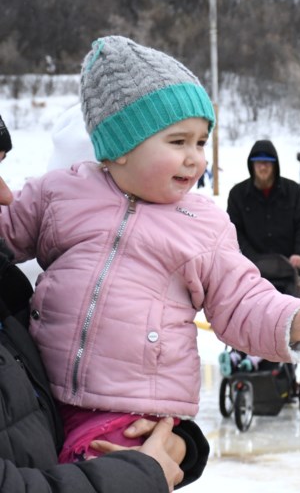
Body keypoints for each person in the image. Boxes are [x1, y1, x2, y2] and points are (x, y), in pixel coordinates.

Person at [0, 36, 300, 464]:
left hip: (131, 410)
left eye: (201, 142)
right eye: (178, 142)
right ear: (121, 147)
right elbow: (9, 231)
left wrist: (292, 318)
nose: (196, 159)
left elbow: (240, 298)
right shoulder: (60, 193)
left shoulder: (202, 225)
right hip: (42, 391)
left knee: (102, 469)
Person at [0, 112, 210, 492]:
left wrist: (176, 442)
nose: (6, 194)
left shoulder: (12, 293)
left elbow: (45, 402)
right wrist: (139, 473)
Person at [227, 139, 300, 274]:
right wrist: (250, 258)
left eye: (267, 162)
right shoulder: (238, 194)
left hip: (288, 268)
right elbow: (234, 230)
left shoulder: (293, 191)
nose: (263, 167)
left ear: (275, 164)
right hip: (251, 271)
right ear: (252, 164)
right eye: (258, 162)